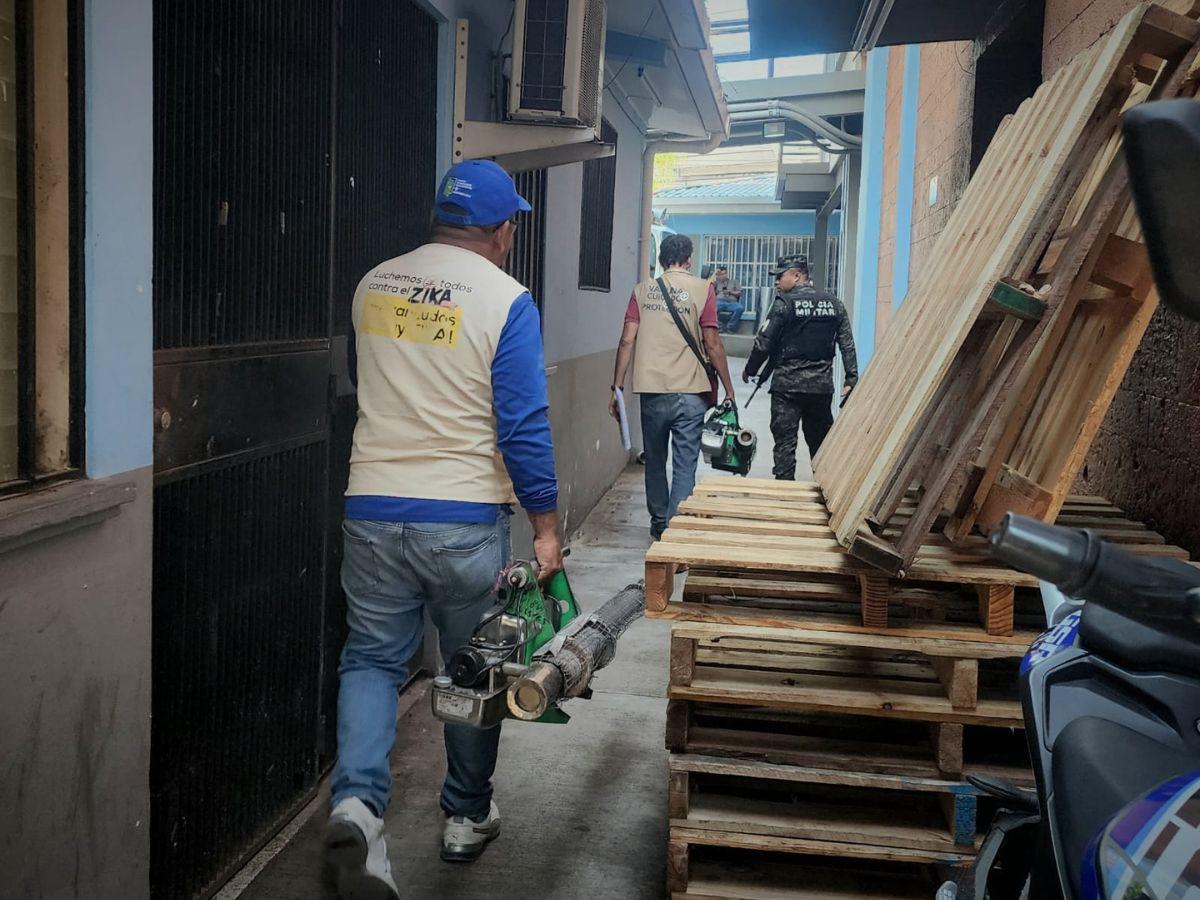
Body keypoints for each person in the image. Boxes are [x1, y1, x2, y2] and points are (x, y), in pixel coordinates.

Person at [325, 159, 562, 899]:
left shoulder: (374, 283)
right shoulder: (506, 298)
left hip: (372, 508)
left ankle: (358, 810)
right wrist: (546, 526)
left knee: (371, 661)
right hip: (462, 517)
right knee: (473, 669)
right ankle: (465, 815)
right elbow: (522, 424)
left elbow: (363, 381)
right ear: (502, 232)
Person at [609, 234, 736, 540]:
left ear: (662, 258)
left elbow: (627, 340)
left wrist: (617, 387)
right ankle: (675, 528)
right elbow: (712, 343)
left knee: (654, 460)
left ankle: (658, 522)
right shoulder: (703, 289)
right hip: (690, 391)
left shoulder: (642, 291)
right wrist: (729, 388)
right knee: (684, 463)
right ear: (689, 259)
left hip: (652, 390)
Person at [743, 254, 858, 480]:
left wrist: (751, 369)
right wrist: (851, 378)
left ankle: (785, 492)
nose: (776, 281)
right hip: (820, 388)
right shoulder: (834, 304)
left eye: (780, 276)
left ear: (797, 276)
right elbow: (847, 343)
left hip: (787, 389)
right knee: (821, 446)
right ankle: (826, 489)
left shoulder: (783, 304)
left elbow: (764, 342)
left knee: (785, 445)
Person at [712, 265, 745, 333]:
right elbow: (708, 286)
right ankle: (719, 326)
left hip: (732, 303)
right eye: (721, 274)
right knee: (712, 307)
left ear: (727, 274)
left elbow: (740, 293)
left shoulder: (734, 282)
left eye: (724, 274)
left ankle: (730, 327)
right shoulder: (716, 282)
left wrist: (730, 292)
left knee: (740, 308)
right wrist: (714, 274)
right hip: (719, 302)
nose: (723, 276)